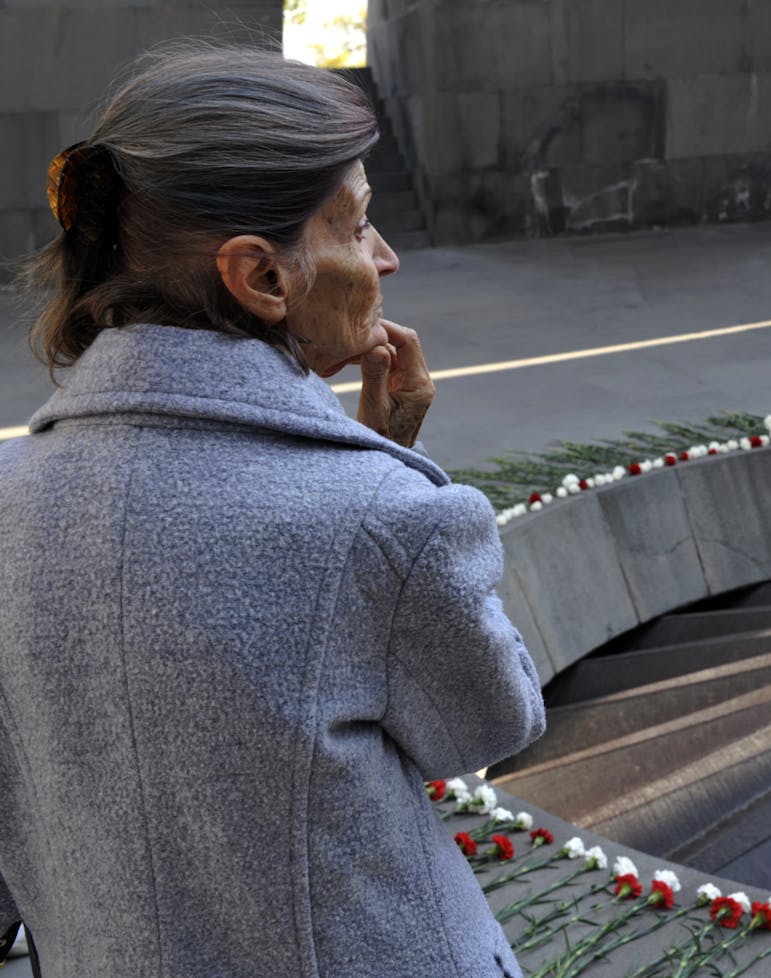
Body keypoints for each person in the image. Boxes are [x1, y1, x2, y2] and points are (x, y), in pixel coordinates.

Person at [0, 43, 546, 978]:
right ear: (260, 277)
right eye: (360, 225)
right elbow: (488, 726)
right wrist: (389, 470)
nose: (386, 257)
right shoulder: (383, 519)